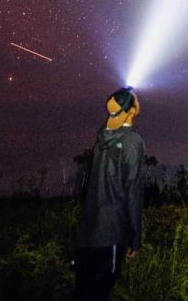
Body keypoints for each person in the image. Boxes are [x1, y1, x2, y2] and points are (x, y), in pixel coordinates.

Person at [73, 87, 145, 301]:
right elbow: (133, 192)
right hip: (111, 233)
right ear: (131, 110)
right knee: (99, 293)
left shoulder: (101, 140)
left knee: (83, 293)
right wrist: (134, 238)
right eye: (136, 101)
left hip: (88, 234)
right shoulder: (133, 143)